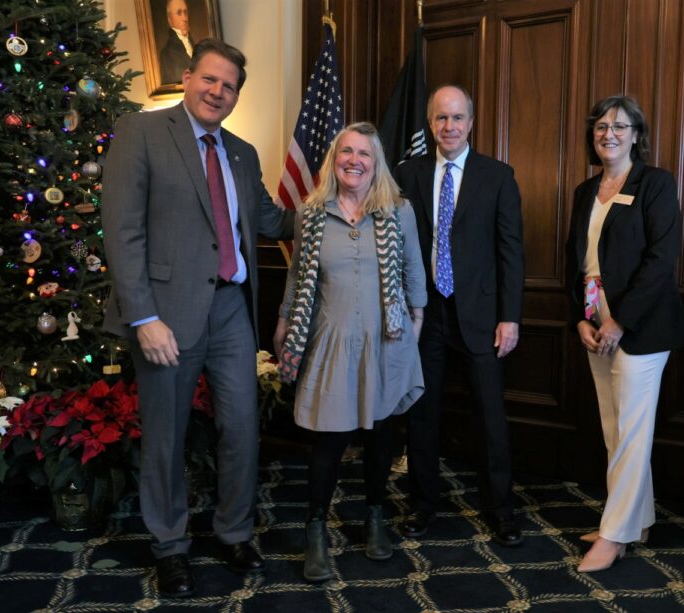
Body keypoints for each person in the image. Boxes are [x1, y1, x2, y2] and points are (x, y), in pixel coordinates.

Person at [102, 39, 293, 598]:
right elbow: (122, 232)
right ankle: (170, 547)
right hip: (165, 314)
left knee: (241, 427)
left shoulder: (241, 151)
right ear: (188, 78)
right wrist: (143, 317)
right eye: (210, 80)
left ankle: (233, 532)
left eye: (229, 86)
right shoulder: (140, 132)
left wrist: (342, 203)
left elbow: (269, 219)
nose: (218, 92)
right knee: (167, 435)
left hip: (231, 309)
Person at [273, 122, 427, 582]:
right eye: (346, 152)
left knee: (381, 435)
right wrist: (284, 321)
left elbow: (413, 269)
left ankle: (375, 517)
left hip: (387, 341)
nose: (354, 160)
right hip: (332, 340)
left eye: (364, 153)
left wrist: (416, 323)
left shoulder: (399, 212)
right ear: (333, 160)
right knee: (329, 440)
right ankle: (315, 530)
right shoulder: (311, 213)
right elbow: (299, 277)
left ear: (375, 162)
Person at [394, 84, 525, 546]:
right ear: (431, 123)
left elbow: (511, 252)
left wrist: (510, 317)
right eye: (441, 118)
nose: (449, 127)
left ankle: (500, 511)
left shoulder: (498, 176)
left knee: (490, 416)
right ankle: (422, 505)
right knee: (422, 415)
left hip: (482, 317)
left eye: (457, 118)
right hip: (425, 314)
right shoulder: (407, 174)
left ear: (471, 122)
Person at [565, 95, 684, 572]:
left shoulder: (654, 184)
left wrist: (621, 320)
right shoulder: (584, 191)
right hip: (595, 325)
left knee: (633, 433)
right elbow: (576, 262)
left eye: (619, 126)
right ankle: (637, 520)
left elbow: (661, 261)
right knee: (617, 432)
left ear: (637, 133)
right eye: (599, 126)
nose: (608, 134)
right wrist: (581, 316)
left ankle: (614, 535)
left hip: (642, 328)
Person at [159, 0, 195, 84]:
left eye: (185, 12)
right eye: (179, 13)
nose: (185, 18)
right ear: (169, 20)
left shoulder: (196, 46)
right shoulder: (166, 54)